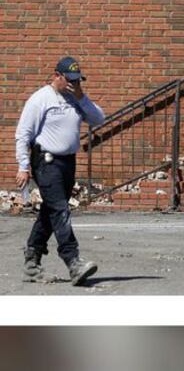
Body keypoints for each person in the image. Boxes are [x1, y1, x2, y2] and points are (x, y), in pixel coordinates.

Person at [14, 57, 106, 285]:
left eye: (77, 80)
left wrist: (80, 96)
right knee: (60, 210)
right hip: (46, 162)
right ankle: (73, 261)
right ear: (57, 75)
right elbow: (23, 134)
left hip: (67, 162)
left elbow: (98, 119)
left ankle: (32, 262)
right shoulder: (40, 99)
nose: (73, 84)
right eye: (70, 80)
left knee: (51, 211)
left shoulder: (75, 98)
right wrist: (23, 166)